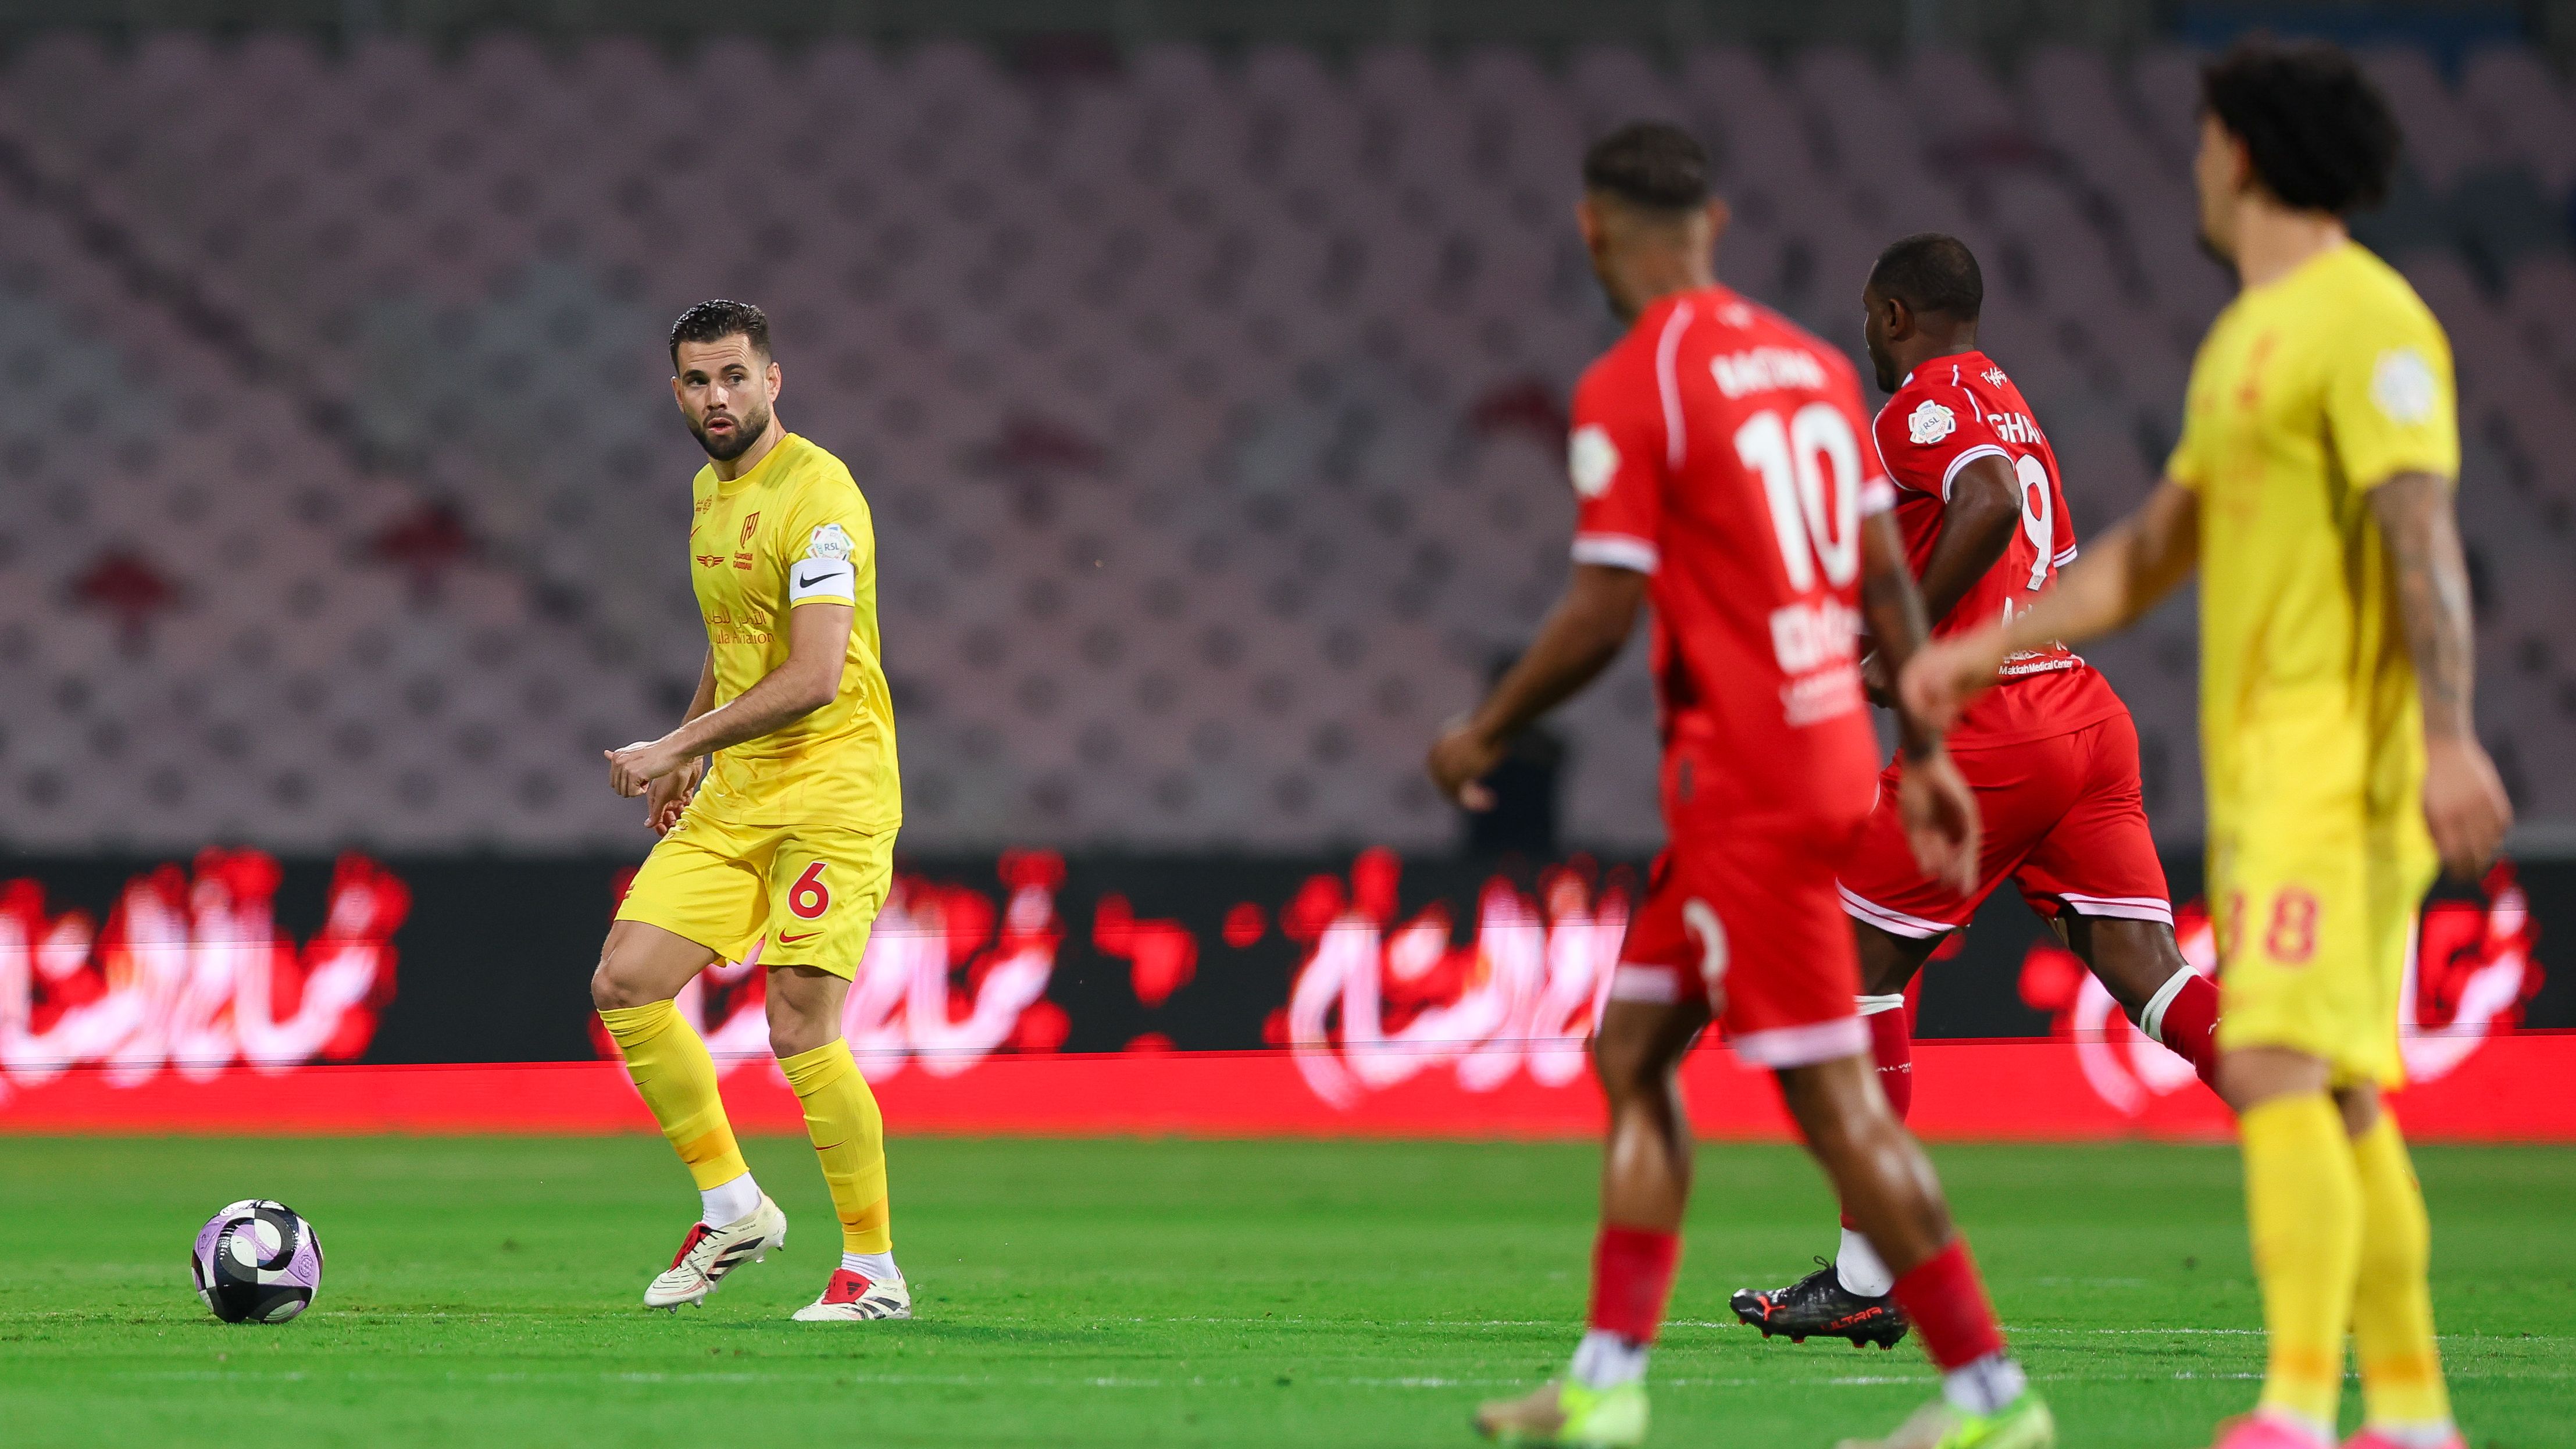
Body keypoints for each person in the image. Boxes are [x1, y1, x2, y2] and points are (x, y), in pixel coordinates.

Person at [1904, 41, 2511, 1449]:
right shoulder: (2247, 339)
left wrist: (2449, 731)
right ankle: (2411, 1415)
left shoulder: (2371, 322)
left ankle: (2297, 1406)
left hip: (2339, 767)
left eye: (2200, 141)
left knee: (2289, 1067)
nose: (2190, 164)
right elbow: (2150, 552)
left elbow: (2420, 529)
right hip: (2267, 774)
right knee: (2338, 1089)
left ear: (2239, 153)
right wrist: (1971, 650)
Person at [1431, 123, 2053, 1449]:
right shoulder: (1821, 370)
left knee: (1828, 1098)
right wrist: (1929, 749)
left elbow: (1606, 609)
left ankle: (1992, 1398)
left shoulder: (1631, 382)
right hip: (1821, 751)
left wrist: (1486, 729)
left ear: (1596, 232)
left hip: (1750, 783)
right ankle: (1602, 1382)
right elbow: (1883, 569)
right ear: (1712, 228)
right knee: (1634, 1045)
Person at [1731, 233, 2225, 1351]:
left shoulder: (1921, 404)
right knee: (2149, 976)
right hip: (2084, 718)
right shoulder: (2004, 394)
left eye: (1868, 317)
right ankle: (2315, 1131)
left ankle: (1867, 1273)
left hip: (1997, 727)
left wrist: (1906, 652)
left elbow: (1991, 506)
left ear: (1895, 315)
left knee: (1849, 970)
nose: (1864, 337)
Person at [590, 299, 913, 1323]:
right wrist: (694, 748)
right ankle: (733, 1207)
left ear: (775, 380)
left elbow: (815, 675)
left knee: (796, 1021)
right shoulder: (707, 490)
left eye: (734, 376)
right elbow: (739, 645)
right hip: (737, 789)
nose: (716, 397)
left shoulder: (820, 497)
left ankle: (874, 1270)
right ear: (674, 391)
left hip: (831, 791)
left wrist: (675, 747)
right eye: (696, 380)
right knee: (627, 982)